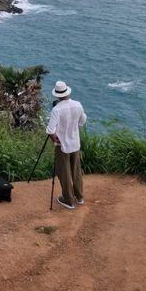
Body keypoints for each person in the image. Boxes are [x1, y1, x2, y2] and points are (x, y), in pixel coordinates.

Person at [46, 80, 87, 210]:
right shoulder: (78, 105)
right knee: (76, 171)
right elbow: (82, 122)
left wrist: (55, 140)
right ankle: (79, 197)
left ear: (57, 95)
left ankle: (68, 200)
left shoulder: (56, 110)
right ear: (67, 92)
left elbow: (50, 130)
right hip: (75, 143)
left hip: (62, 146)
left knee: (64, 173)